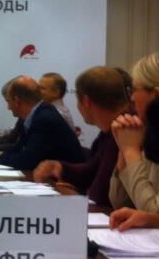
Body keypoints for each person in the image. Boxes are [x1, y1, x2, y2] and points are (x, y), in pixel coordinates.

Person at [34, 67, 129, 205]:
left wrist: (74, 196)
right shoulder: (110, 128)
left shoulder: (123, 128)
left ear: (86, 101)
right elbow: (93, 169)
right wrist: (60, 168)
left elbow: (100, 195)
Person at [0, 75, 83, 170]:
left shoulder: (44, 118)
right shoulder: (35, 115)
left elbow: (28, 161)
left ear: (17, 101)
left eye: (8, 101)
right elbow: (18, 147)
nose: (8, 107)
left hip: (68, 182)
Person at [109, 51, 159, 212]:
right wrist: (123, 152)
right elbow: (120, 202)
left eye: (134, 90)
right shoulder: (151, 131)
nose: (131, 98)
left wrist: (131, 151)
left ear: (156, 94)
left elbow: (153, 212)